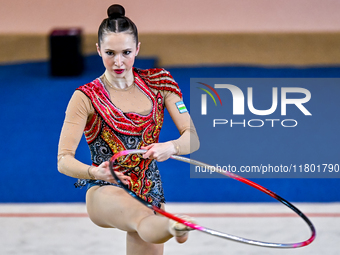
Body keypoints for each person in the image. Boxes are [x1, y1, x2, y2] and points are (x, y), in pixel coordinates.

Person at [57, 4, 200, 255]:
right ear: (98, 50)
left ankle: (171, 225)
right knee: (143, 219)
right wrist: (95, 172)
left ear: (138, 49)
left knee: (147, 224)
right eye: (110, 53)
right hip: (106, 188)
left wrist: (172, 146)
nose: (119, 62)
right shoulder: (86, 97)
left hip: (150, 187)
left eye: (126, 52)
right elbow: (63, 160)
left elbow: (194, 138)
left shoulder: (160, 83)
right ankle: (173, 224)